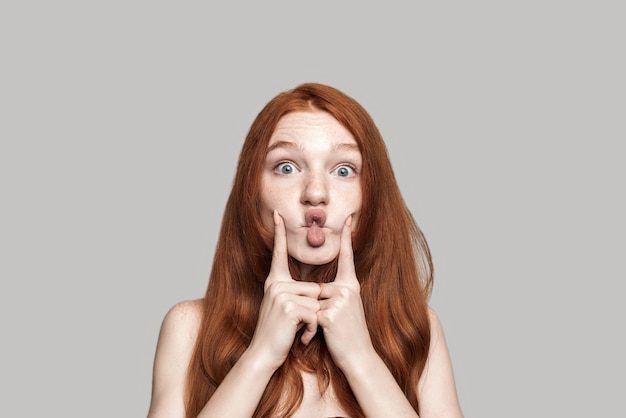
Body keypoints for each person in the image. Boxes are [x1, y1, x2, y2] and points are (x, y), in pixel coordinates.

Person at [147, 83, 463, 418]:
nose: (315, 192)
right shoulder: (189, 327)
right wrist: (261, 354)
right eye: (286, 167)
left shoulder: (416, 329)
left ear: (370, 196)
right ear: (252, 193)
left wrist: (361, 358)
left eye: (343, 170)